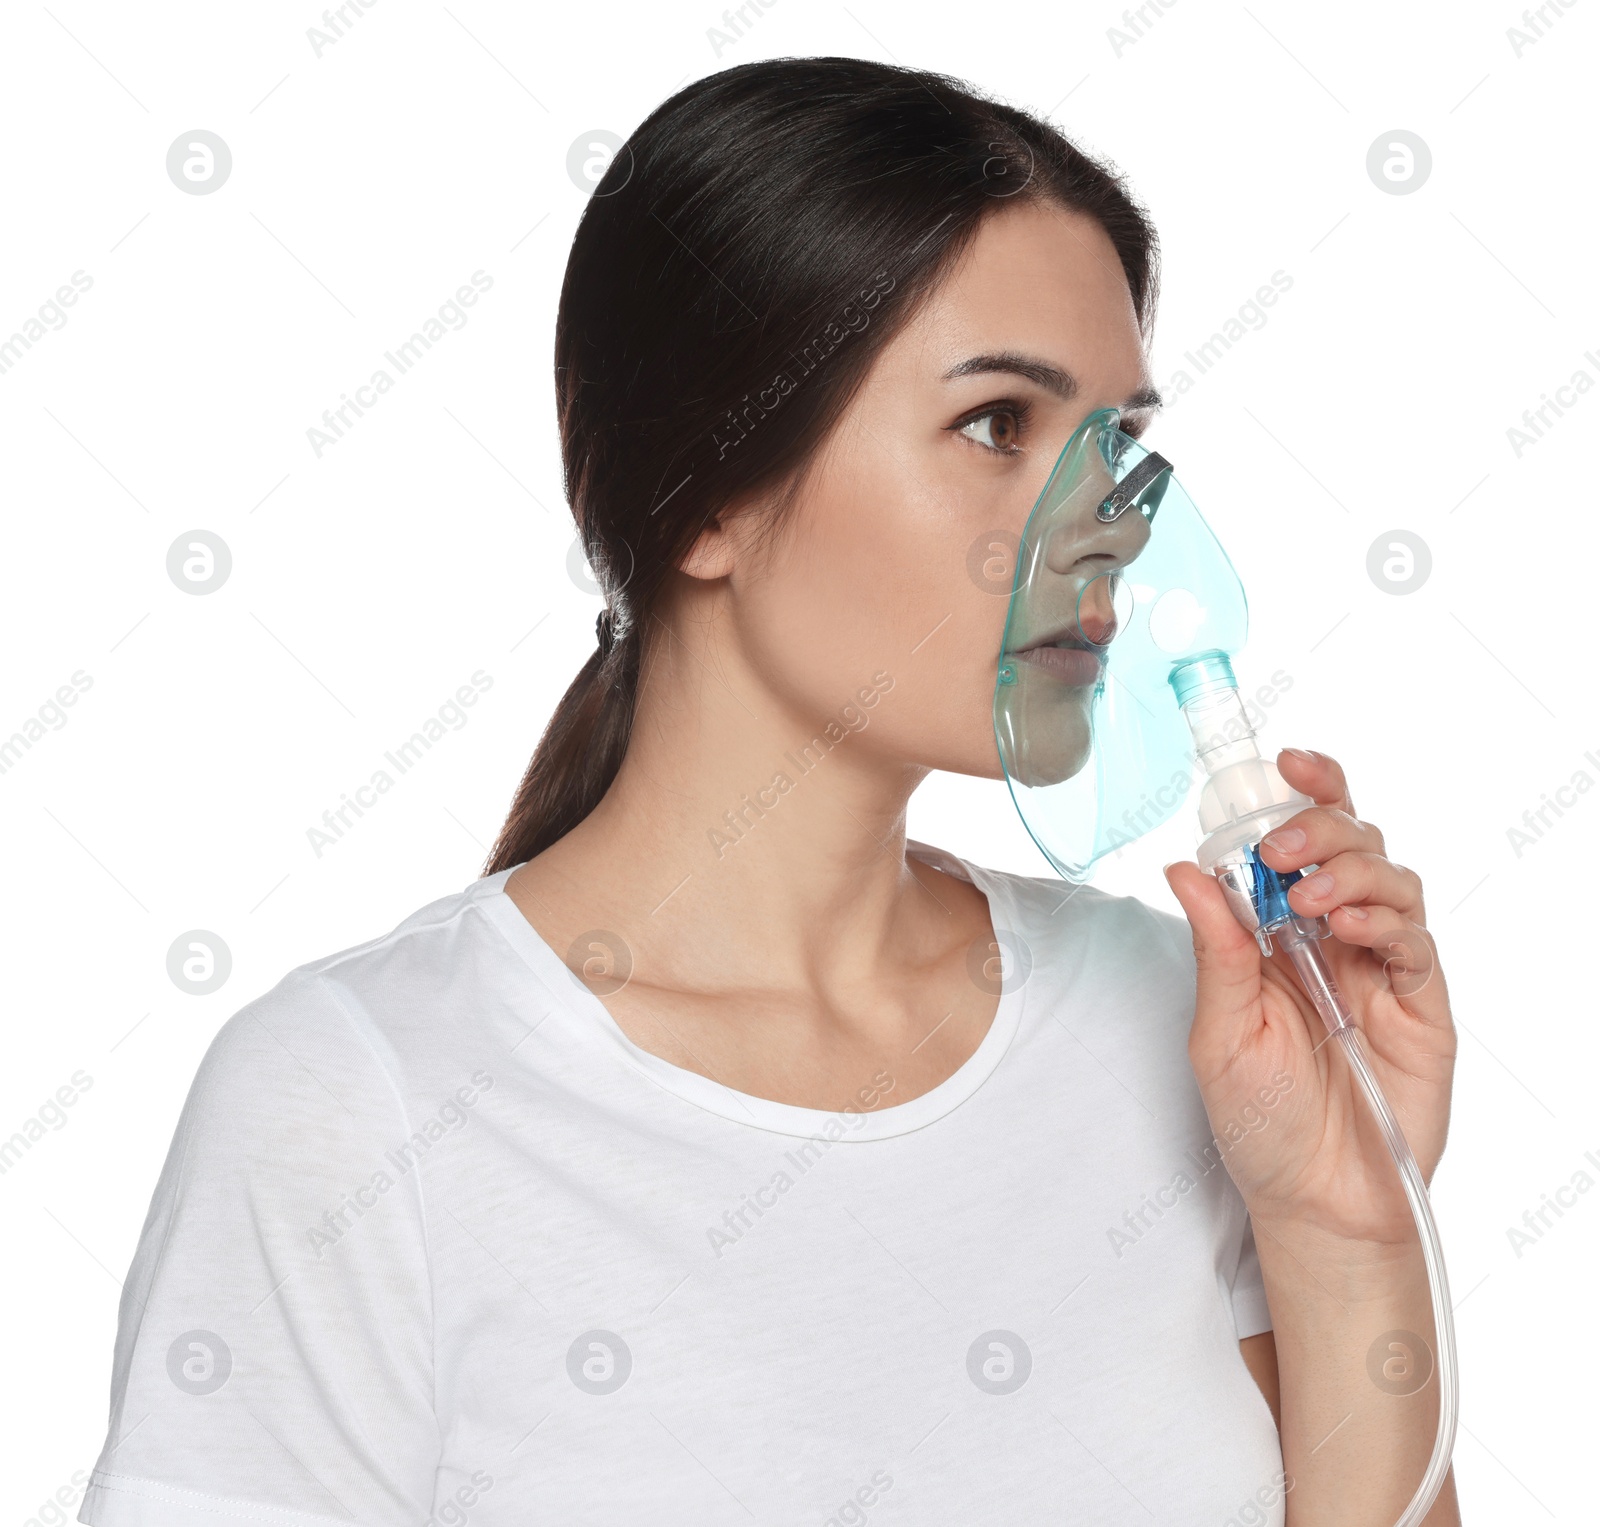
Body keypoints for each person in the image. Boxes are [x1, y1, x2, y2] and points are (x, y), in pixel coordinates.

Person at [81, 57, 1459, 1526]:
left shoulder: (1178, 1023)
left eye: (1114, 445)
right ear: (709, 494)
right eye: (998, 424)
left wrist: (1343, 1220)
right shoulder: (362, 1105)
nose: (1102, 528)